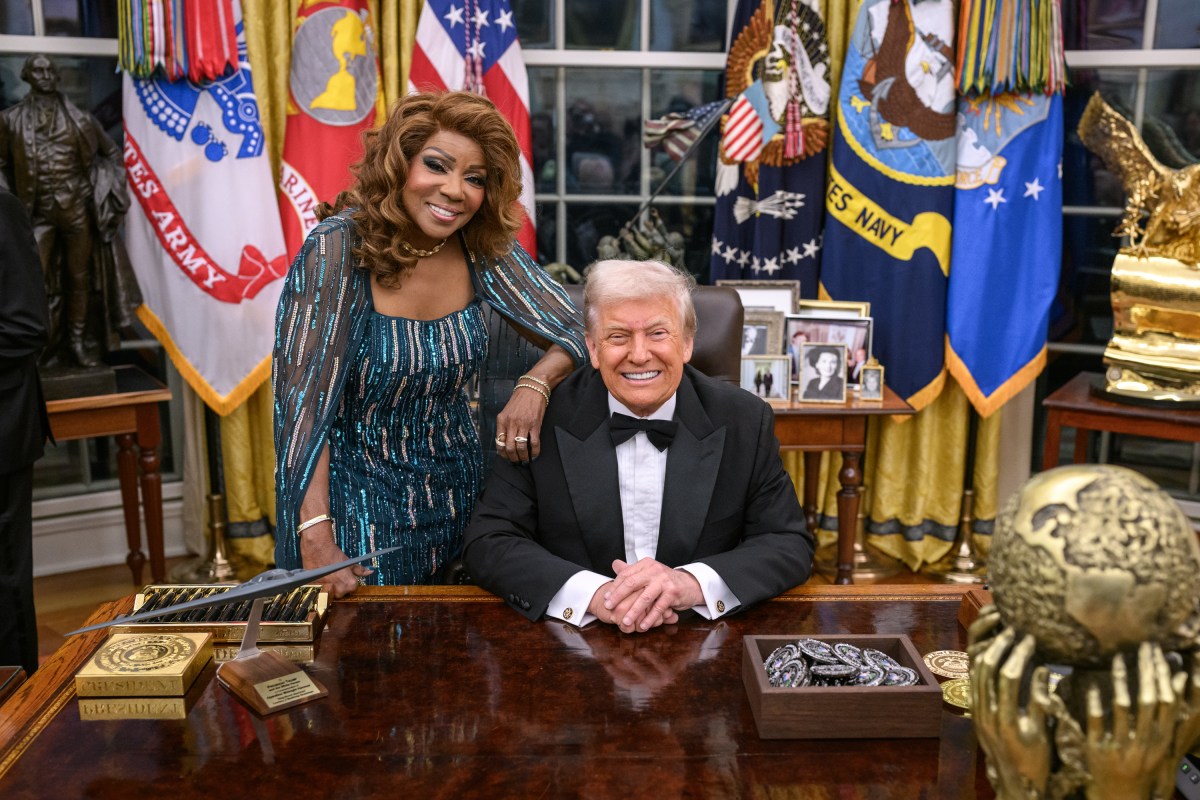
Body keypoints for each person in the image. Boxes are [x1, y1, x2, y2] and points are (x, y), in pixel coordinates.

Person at [273, 92, 587, 598]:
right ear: (399, 165)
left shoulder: (479, 245)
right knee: (367, 643)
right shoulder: (337, 247)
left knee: (461, 642)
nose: (454, 190)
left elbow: (580, 330)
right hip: (356, 508)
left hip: (463, 499)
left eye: (475, 178)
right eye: (436, 166)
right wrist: (315, 534)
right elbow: (302, 409)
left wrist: (536, 382)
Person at [463, 259, 814, 634]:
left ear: (687, 343)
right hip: (572, 636)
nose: (640, 354)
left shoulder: (744, 419)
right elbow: (489, 541)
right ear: (592, 348)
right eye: (618, 337)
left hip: (699, 633)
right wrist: (595, 595)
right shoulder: (542, 419)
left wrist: (689, 585)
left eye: (658, 333)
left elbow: (787, 543)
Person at [0, 54, 140, 368]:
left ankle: (77, 342)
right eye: (38, 70)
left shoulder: (82, 119)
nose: (45, 75)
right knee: (33, 279)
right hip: (37, 213)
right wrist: (10, 204)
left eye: (50, 70)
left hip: (77, 210)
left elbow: (112, 154)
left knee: (79, 279)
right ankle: (41, 345)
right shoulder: (10, 120)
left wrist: (102, 186)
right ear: (26, 76)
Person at [0, 186, 52, 674]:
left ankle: (19, 703)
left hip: (3, 430)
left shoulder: (1, 206)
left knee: (4, 586)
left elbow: (26, 326)